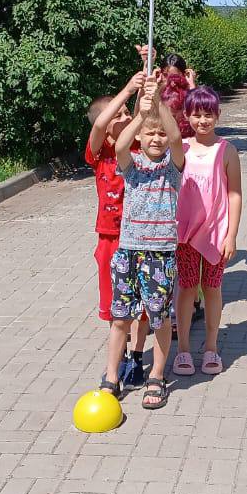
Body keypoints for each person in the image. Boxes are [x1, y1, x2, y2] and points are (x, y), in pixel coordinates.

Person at [100, 71, 185, 410]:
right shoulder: (132, 165)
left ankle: (157, 375)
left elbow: (176, 137)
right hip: (128, 252)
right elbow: (120, 145)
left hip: (160, 254)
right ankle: (111, 376)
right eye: (150, 133)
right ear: (140, 136)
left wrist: (159, 102)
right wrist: (141, 115)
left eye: (160, 133)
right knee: (120, 317)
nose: (156, 139)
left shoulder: (173, 168)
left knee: (159, 318)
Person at [85, 73, 151, 387]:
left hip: (139, 238)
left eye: (126, 113)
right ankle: (119, 354)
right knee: (116, 304)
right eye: (119, 114)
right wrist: (127, 90)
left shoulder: (135, 147)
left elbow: (142, 114)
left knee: (142, 303)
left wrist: (143, 80)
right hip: (110, 239)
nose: (125, 117)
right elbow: (100, 125)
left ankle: (137, 356)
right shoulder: (99, 153)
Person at [172, 86, 243, 377]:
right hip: (186, 235)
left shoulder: (227, 151)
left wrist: (231, 234)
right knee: (187, 288)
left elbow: (235, 194)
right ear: (186, 116)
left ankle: (211, 346)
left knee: (212, 288)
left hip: (216, 234)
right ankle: (183, 349)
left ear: (218, 115)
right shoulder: (181, 148)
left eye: (208, 114)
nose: (202, 120)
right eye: (196, 115)